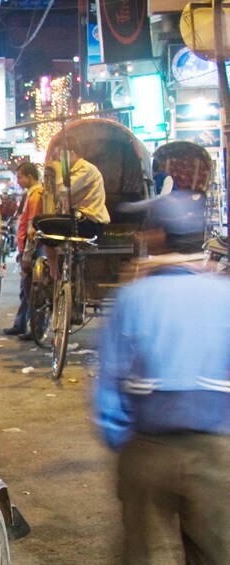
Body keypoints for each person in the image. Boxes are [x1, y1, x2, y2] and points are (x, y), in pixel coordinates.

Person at [94, 191, 230, 564]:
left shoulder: (134, 297)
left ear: (157, 235)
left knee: (141, 551)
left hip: (148, 445)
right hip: (215, 451)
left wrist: (122, 438)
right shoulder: (223, 294)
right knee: (214, 551)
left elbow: (110, 387)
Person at [2, 162, 42, 339]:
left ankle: (33, 327)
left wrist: (26, 253)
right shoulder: (30, 194)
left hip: (31, 248)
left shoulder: (36, 196)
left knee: (30, 290)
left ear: (30, 177)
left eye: (20, 177)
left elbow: (32, 226)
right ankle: (22, 324)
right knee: (25, 290)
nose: (18, 181)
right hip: (25, 246)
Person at [48, 134, 110, 239]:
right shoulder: (71, 172)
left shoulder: (86, 169)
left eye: (60, 156)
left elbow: (62, 190)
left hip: (89, 222)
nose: (58, 160)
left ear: (71, 153)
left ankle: (53, 255)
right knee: (43, 224)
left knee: (42, 222)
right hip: (79, 219)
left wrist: (58, 168)